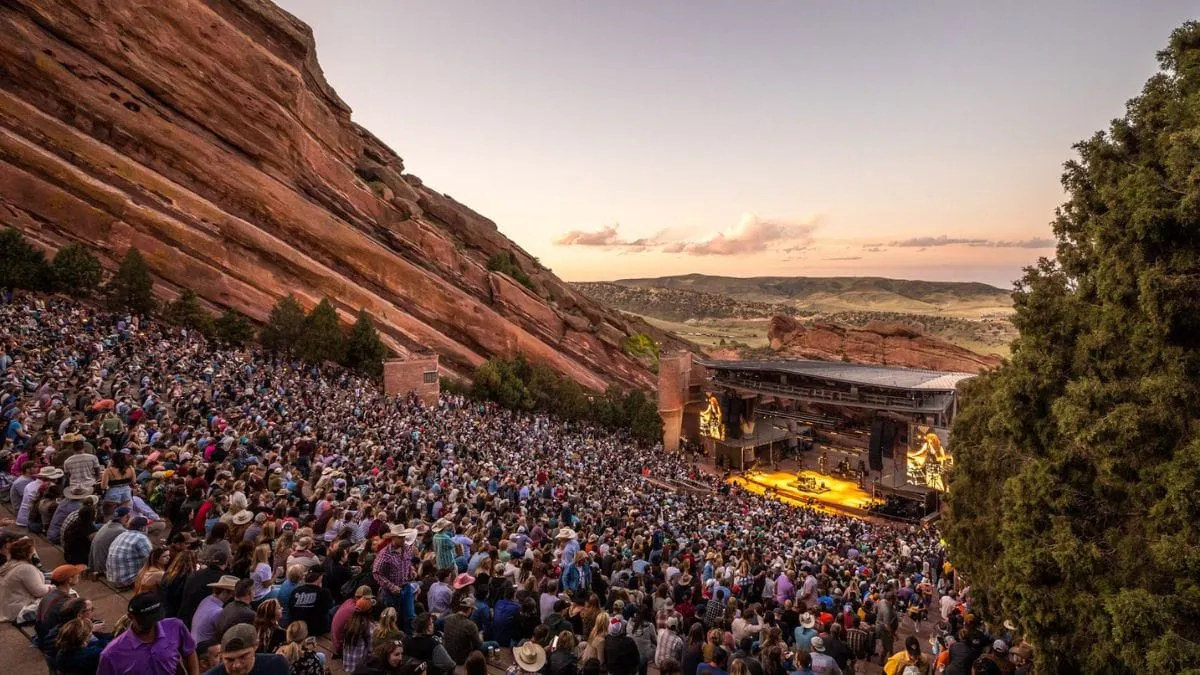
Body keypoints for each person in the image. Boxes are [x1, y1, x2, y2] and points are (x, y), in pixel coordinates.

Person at [97, 592, 200, 675]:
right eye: (146, 622)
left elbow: (189, 651)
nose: (152, 625)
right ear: (131, 617)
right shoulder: (111, 654)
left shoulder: (175, 626)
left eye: (155, 619)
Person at [204, 623, 291, 675]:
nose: (236, 665)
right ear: (221, 656)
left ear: (256, 646)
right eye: (229, 660)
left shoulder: (275, 665)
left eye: (243, 657)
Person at [0, 537, 51, 622]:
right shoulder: (26, 568)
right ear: (29, 553)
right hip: (19, 609)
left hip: (7, 607)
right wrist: (52, 587)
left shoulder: (9, 564)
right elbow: (39, 591)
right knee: (59, 597)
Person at [193, 575, 239, 652]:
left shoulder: (207, 599)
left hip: (195, 643)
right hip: (204, 649)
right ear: (224, 592)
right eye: (232, 594)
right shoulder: (218, 611)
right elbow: (224, 633)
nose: (232, 597)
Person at [106, 516, 152, 588]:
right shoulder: (141, 538)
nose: (148, 528)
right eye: (147, 526)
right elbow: (152, 559)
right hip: (127, 581)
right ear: (143, 528)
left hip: (112, 579)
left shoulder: (122, 534)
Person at [288, 566, 333, 635]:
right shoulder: (324, 592)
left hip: (298, 628)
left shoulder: (296, 591)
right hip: (318, 630)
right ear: (320, 579)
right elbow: (329, 606)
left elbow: (291, 608)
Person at [333, 585, 376, 657]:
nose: (369, 601)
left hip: (337, 641)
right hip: (342, 647)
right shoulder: (355, 610)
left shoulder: (349, 601)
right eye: (367, 599)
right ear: (359, 598)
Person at [442, 593, 483, 665]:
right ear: (470, 610)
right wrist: (480, 636)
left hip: (447, 655)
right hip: (461, 659)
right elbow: (479, 645)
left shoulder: (448, 618)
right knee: (493, 644)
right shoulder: (470, 625)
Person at [342, 597, 377, 674]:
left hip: (347, 664)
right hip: (359, 668)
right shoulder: (369, 627)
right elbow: (371, 650)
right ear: (369, 611)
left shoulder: (349, 623)